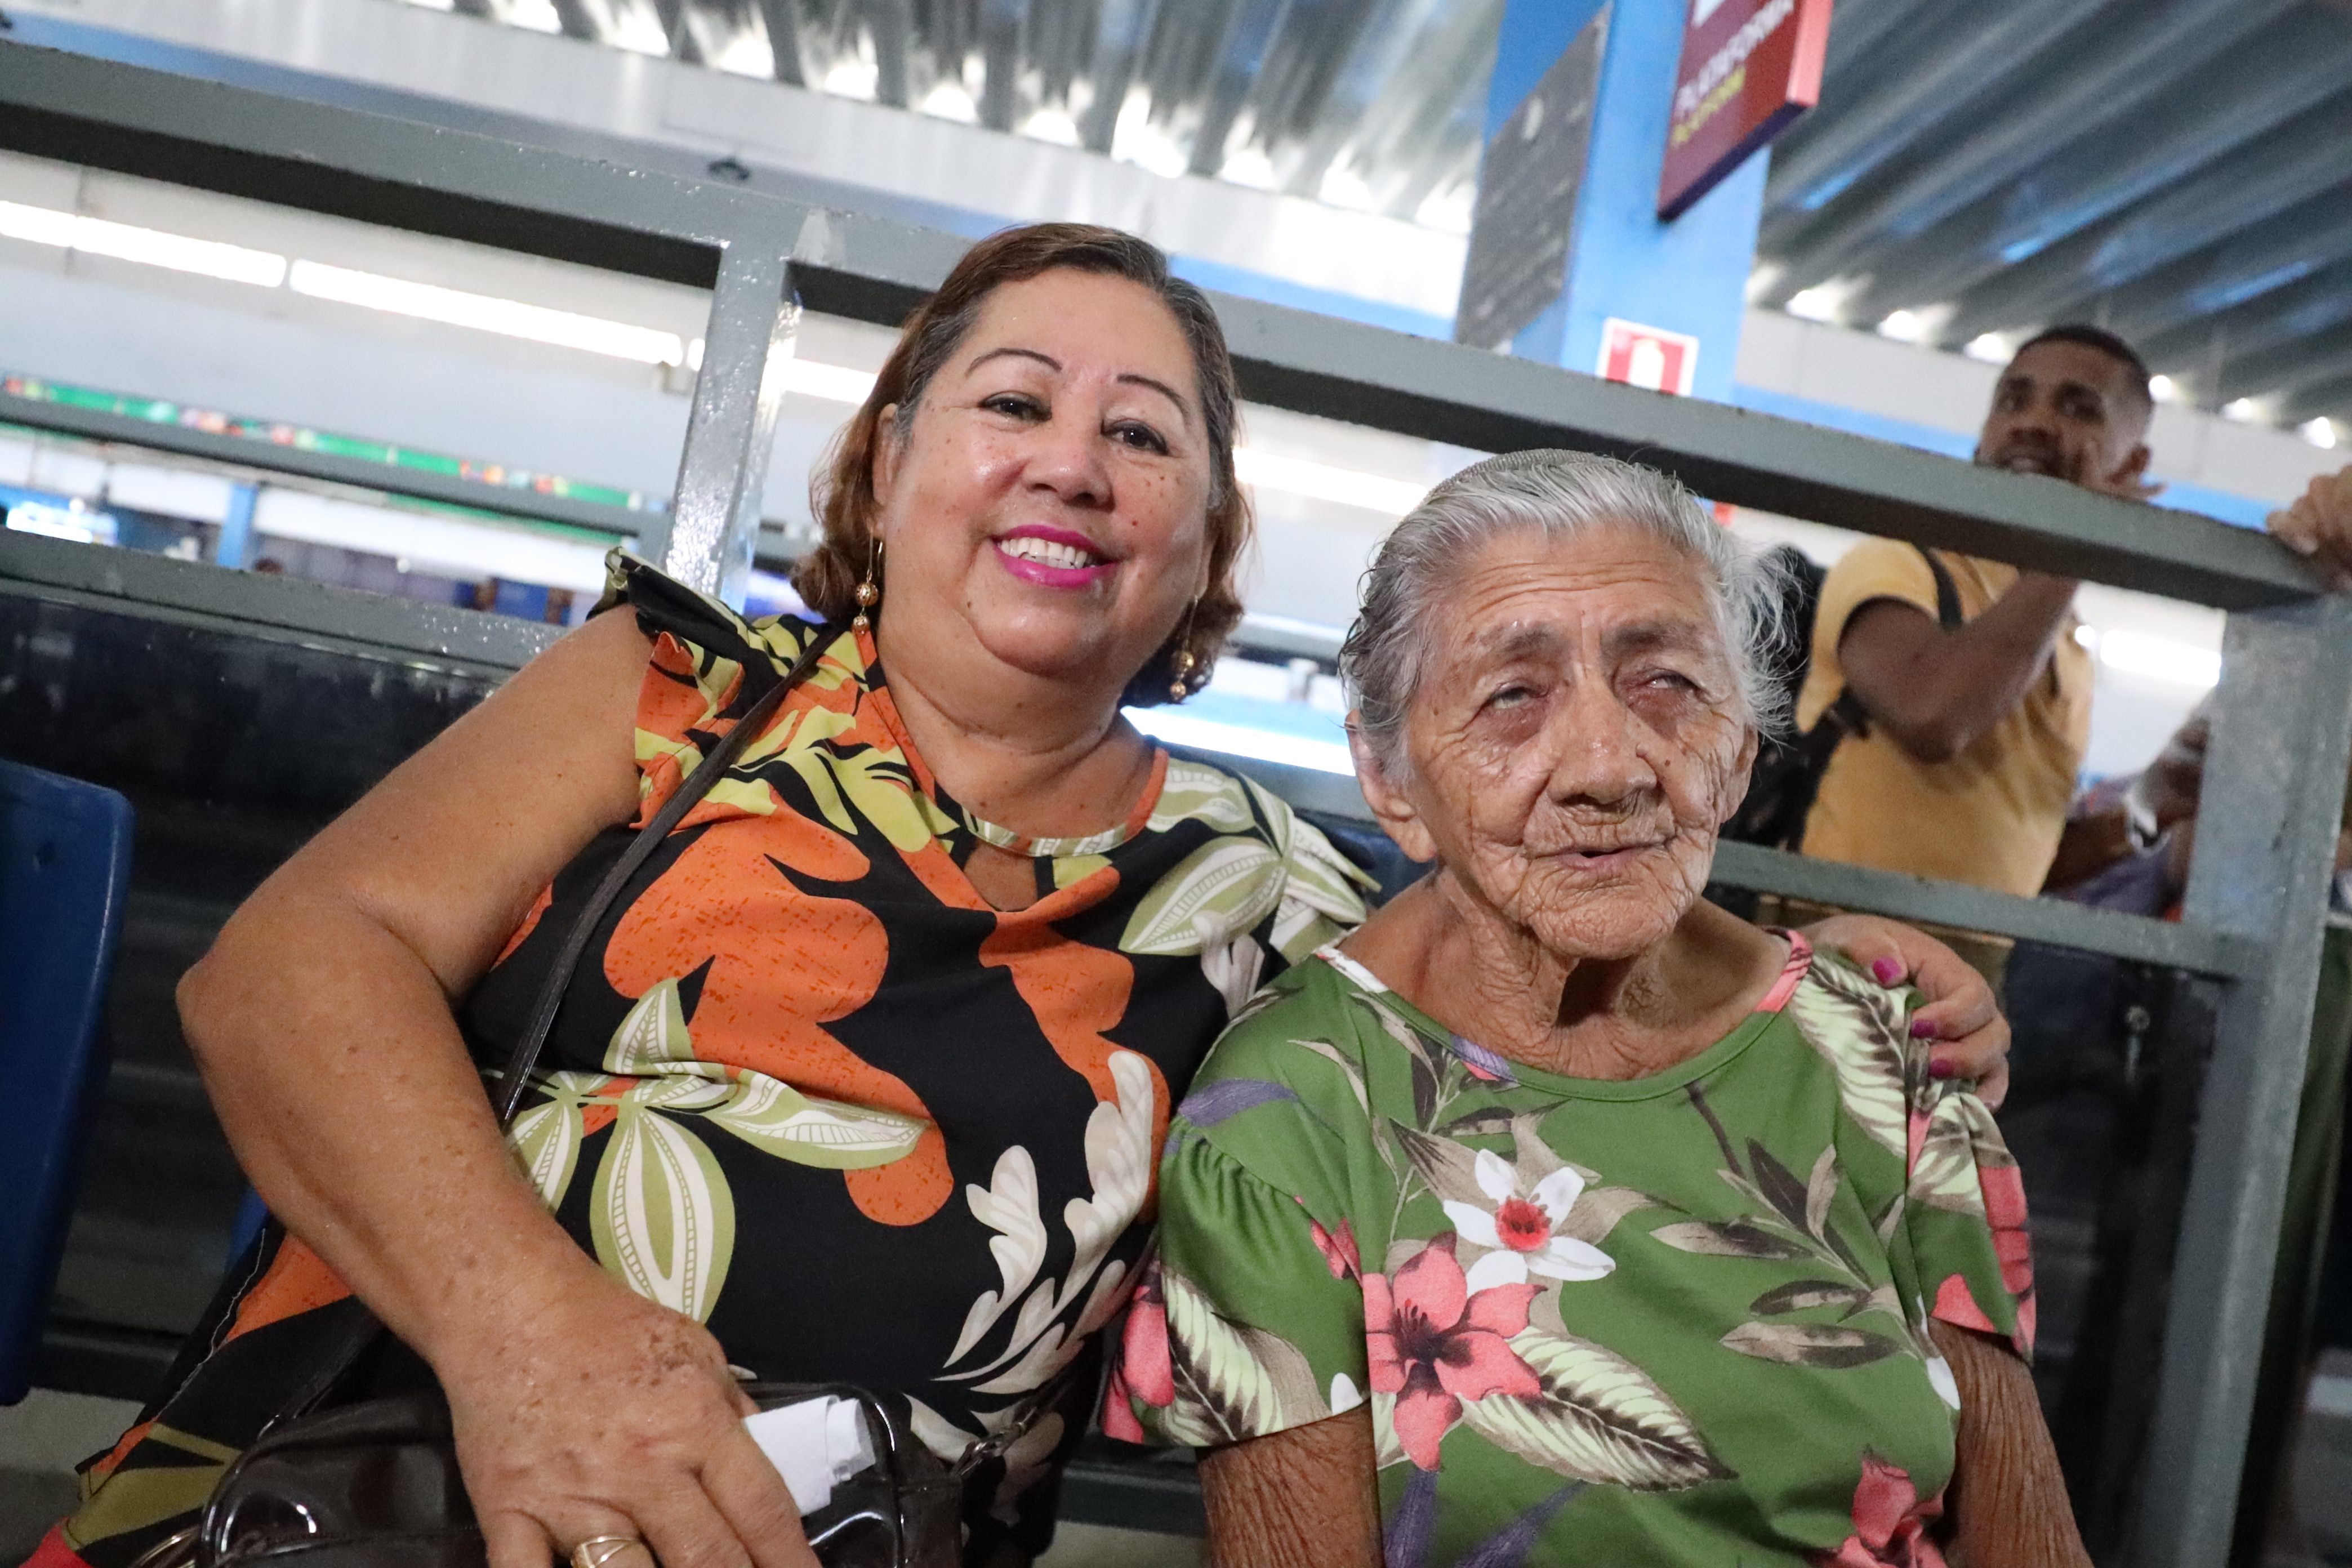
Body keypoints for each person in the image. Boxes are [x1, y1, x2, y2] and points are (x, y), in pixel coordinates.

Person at [31, 230, 2014, 1568]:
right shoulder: (677, 696)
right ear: (890, 466)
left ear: (1196, 556)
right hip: (376, 1493)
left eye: (1139, 437)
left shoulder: (1281, 897)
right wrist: (534, 1343)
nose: (1070, 463)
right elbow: (286, 968)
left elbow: (1560, 920)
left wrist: (1835, 973)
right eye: (1013, 403)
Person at [1113, 451, 2081, 1567]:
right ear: (1389, 778)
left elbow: (2027, 1536)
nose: (1608, 766)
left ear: (1741, 753)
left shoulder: (1880, 1044)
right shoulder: (1295, 1112)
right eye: (1513, 695)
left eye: (1666, 681)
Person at [1792, 326, 2157, 897]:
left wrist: (2155, 805)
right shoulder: (1900, 564)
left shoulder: (2067, 640)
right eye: (2013, 400)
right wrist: (2079, 547)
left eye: (2078, 408)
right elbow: (1933, 715)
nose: (2031, 421)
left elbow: (2009, 860)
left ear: (2132, 467)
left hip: (1965, 973)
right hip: (1830, 954)